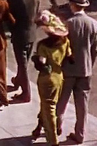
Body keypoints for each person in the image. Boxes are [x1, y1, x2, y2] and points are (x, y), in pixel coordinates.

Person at [56, 0, 97, 145]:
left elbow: (61, 48)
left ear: (72, 5)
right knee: (82, 104)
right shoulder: (93, 23)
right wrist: (89, 65)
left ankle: (56, 126)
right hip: (85, 69)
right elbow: (95, 49)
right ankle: (80, 134)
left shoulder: (68, 23)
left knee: (61, 101)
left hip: (68, 69)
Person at [31, 11, 72, 146]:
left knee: (48, 108)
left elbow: (41, 64)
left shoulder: (43, 45)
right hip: (59, 77)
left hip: (47, 79)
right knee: (49, 104)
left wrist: (35, 59)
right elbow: (70, 58)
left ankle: (52, 140)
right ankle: (39, 127)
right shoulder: (65, 41)